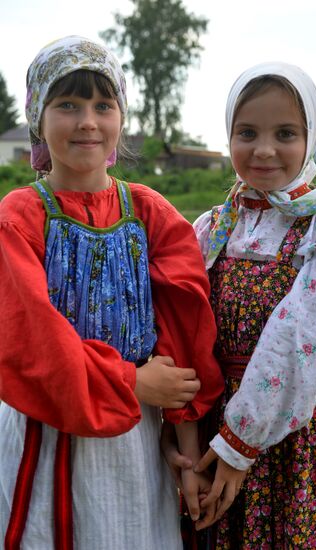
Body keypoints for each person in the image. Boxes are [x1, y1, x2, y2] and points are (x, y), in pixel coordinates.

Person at [0, 35, 224, 550]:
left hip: (136, 440)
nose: (87, 121)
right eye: (68, 105)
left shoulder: (149, 211)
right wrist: (130, 382)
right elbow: (33, 341)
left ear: (121, 115)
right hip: (50, 427)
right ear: (37, 117)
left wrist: (187, 454)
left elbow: (185, 332)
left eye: (104, 104)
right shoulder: (21, 215)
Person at [167, 62, 316, 548]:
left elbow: (304, 340)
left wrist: (240, 443)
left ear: (311, 138)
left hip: (291, 437)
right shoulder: (211, 228)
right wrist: (186, 444)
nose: (263, 149)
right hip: (209, 428)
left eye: (285, 133)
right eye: (247, 132)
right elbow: (177, 327)